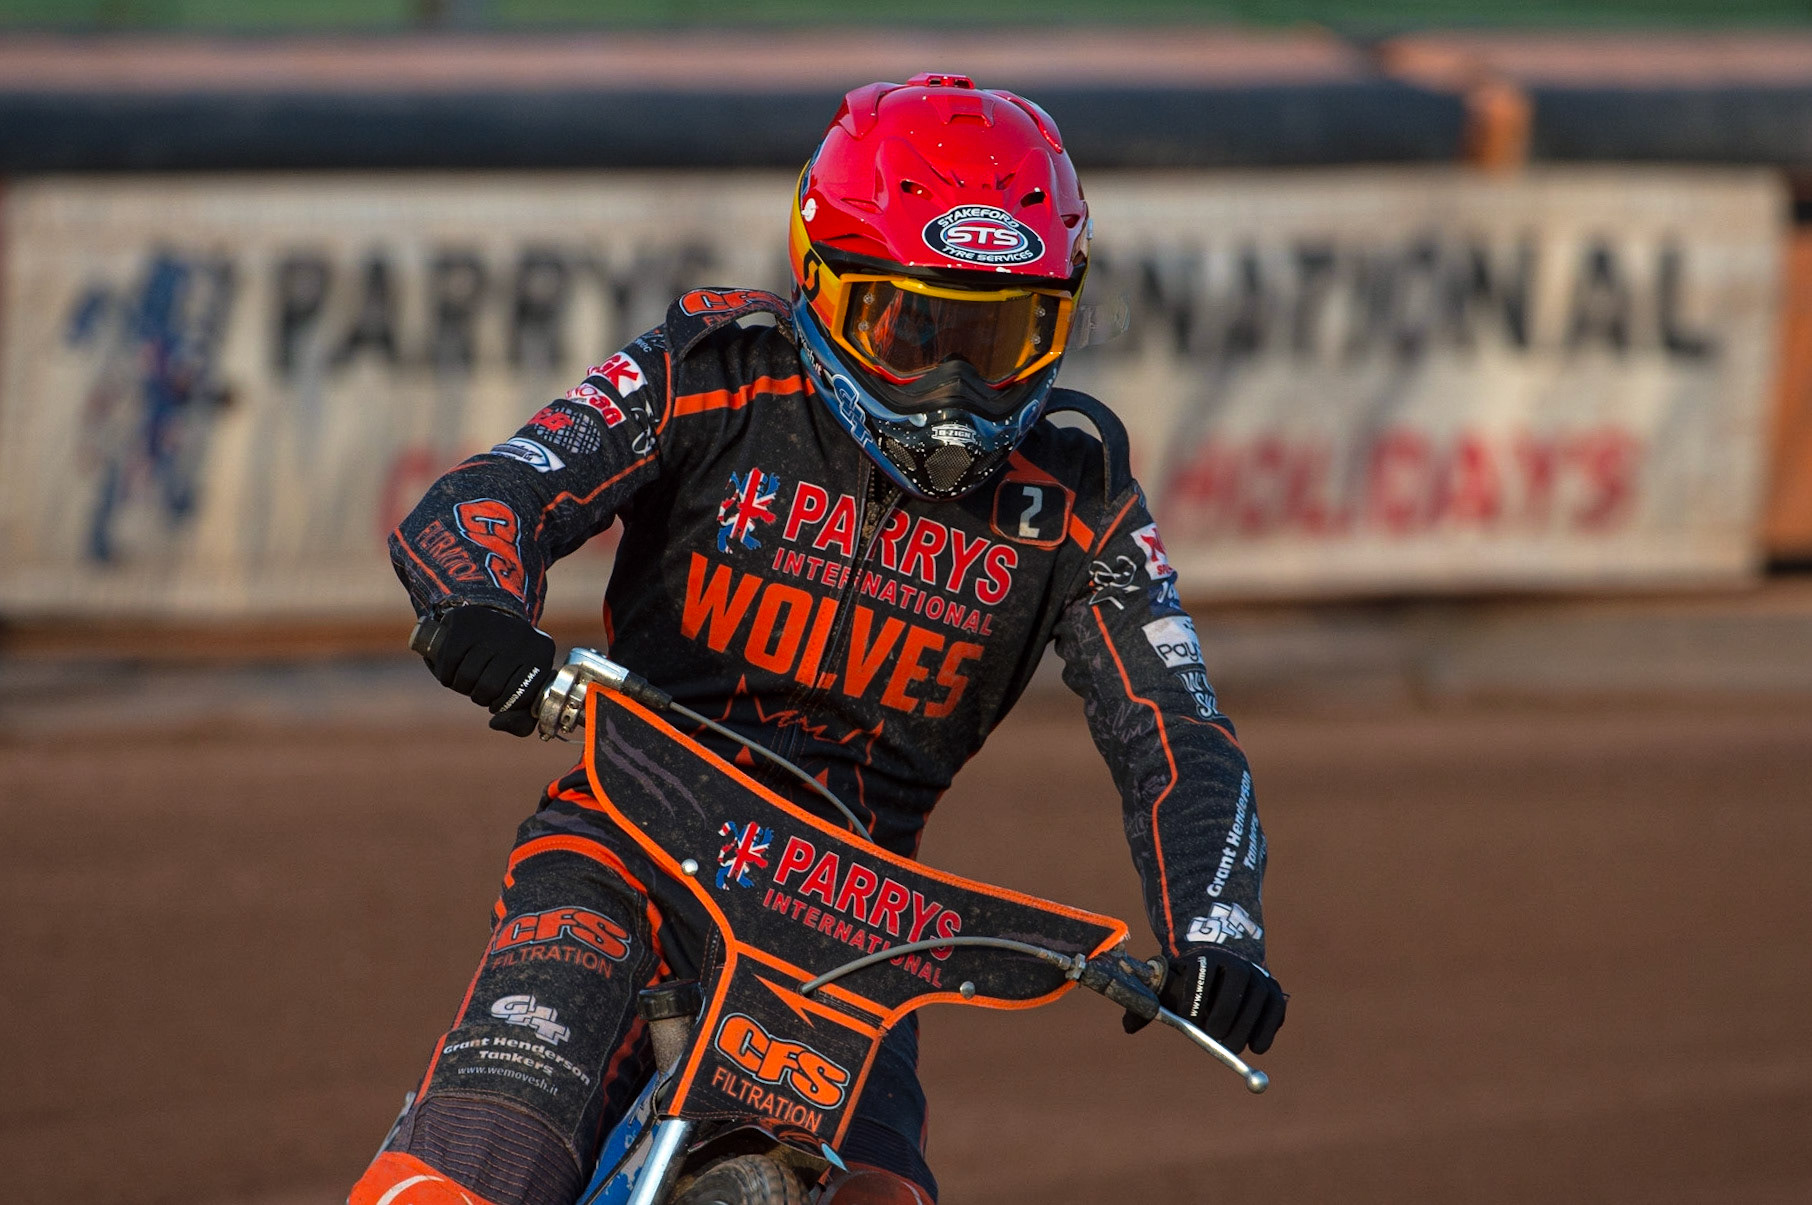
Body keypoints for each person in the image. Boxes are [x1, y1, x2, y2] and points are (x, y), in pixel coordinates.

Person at [353, 73, 1285, 1205]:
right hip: (625, 842)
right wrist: (486, 611)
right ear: (823, 287)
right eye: (913, 328)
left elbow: (1176, 725)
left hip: (852, 923)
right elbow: (490, 494)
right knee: (472, 1168)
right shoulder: (711, 373)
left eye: (998, 341)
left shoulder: (1078, 493)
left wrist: (1218, 927)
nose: (955, 393)